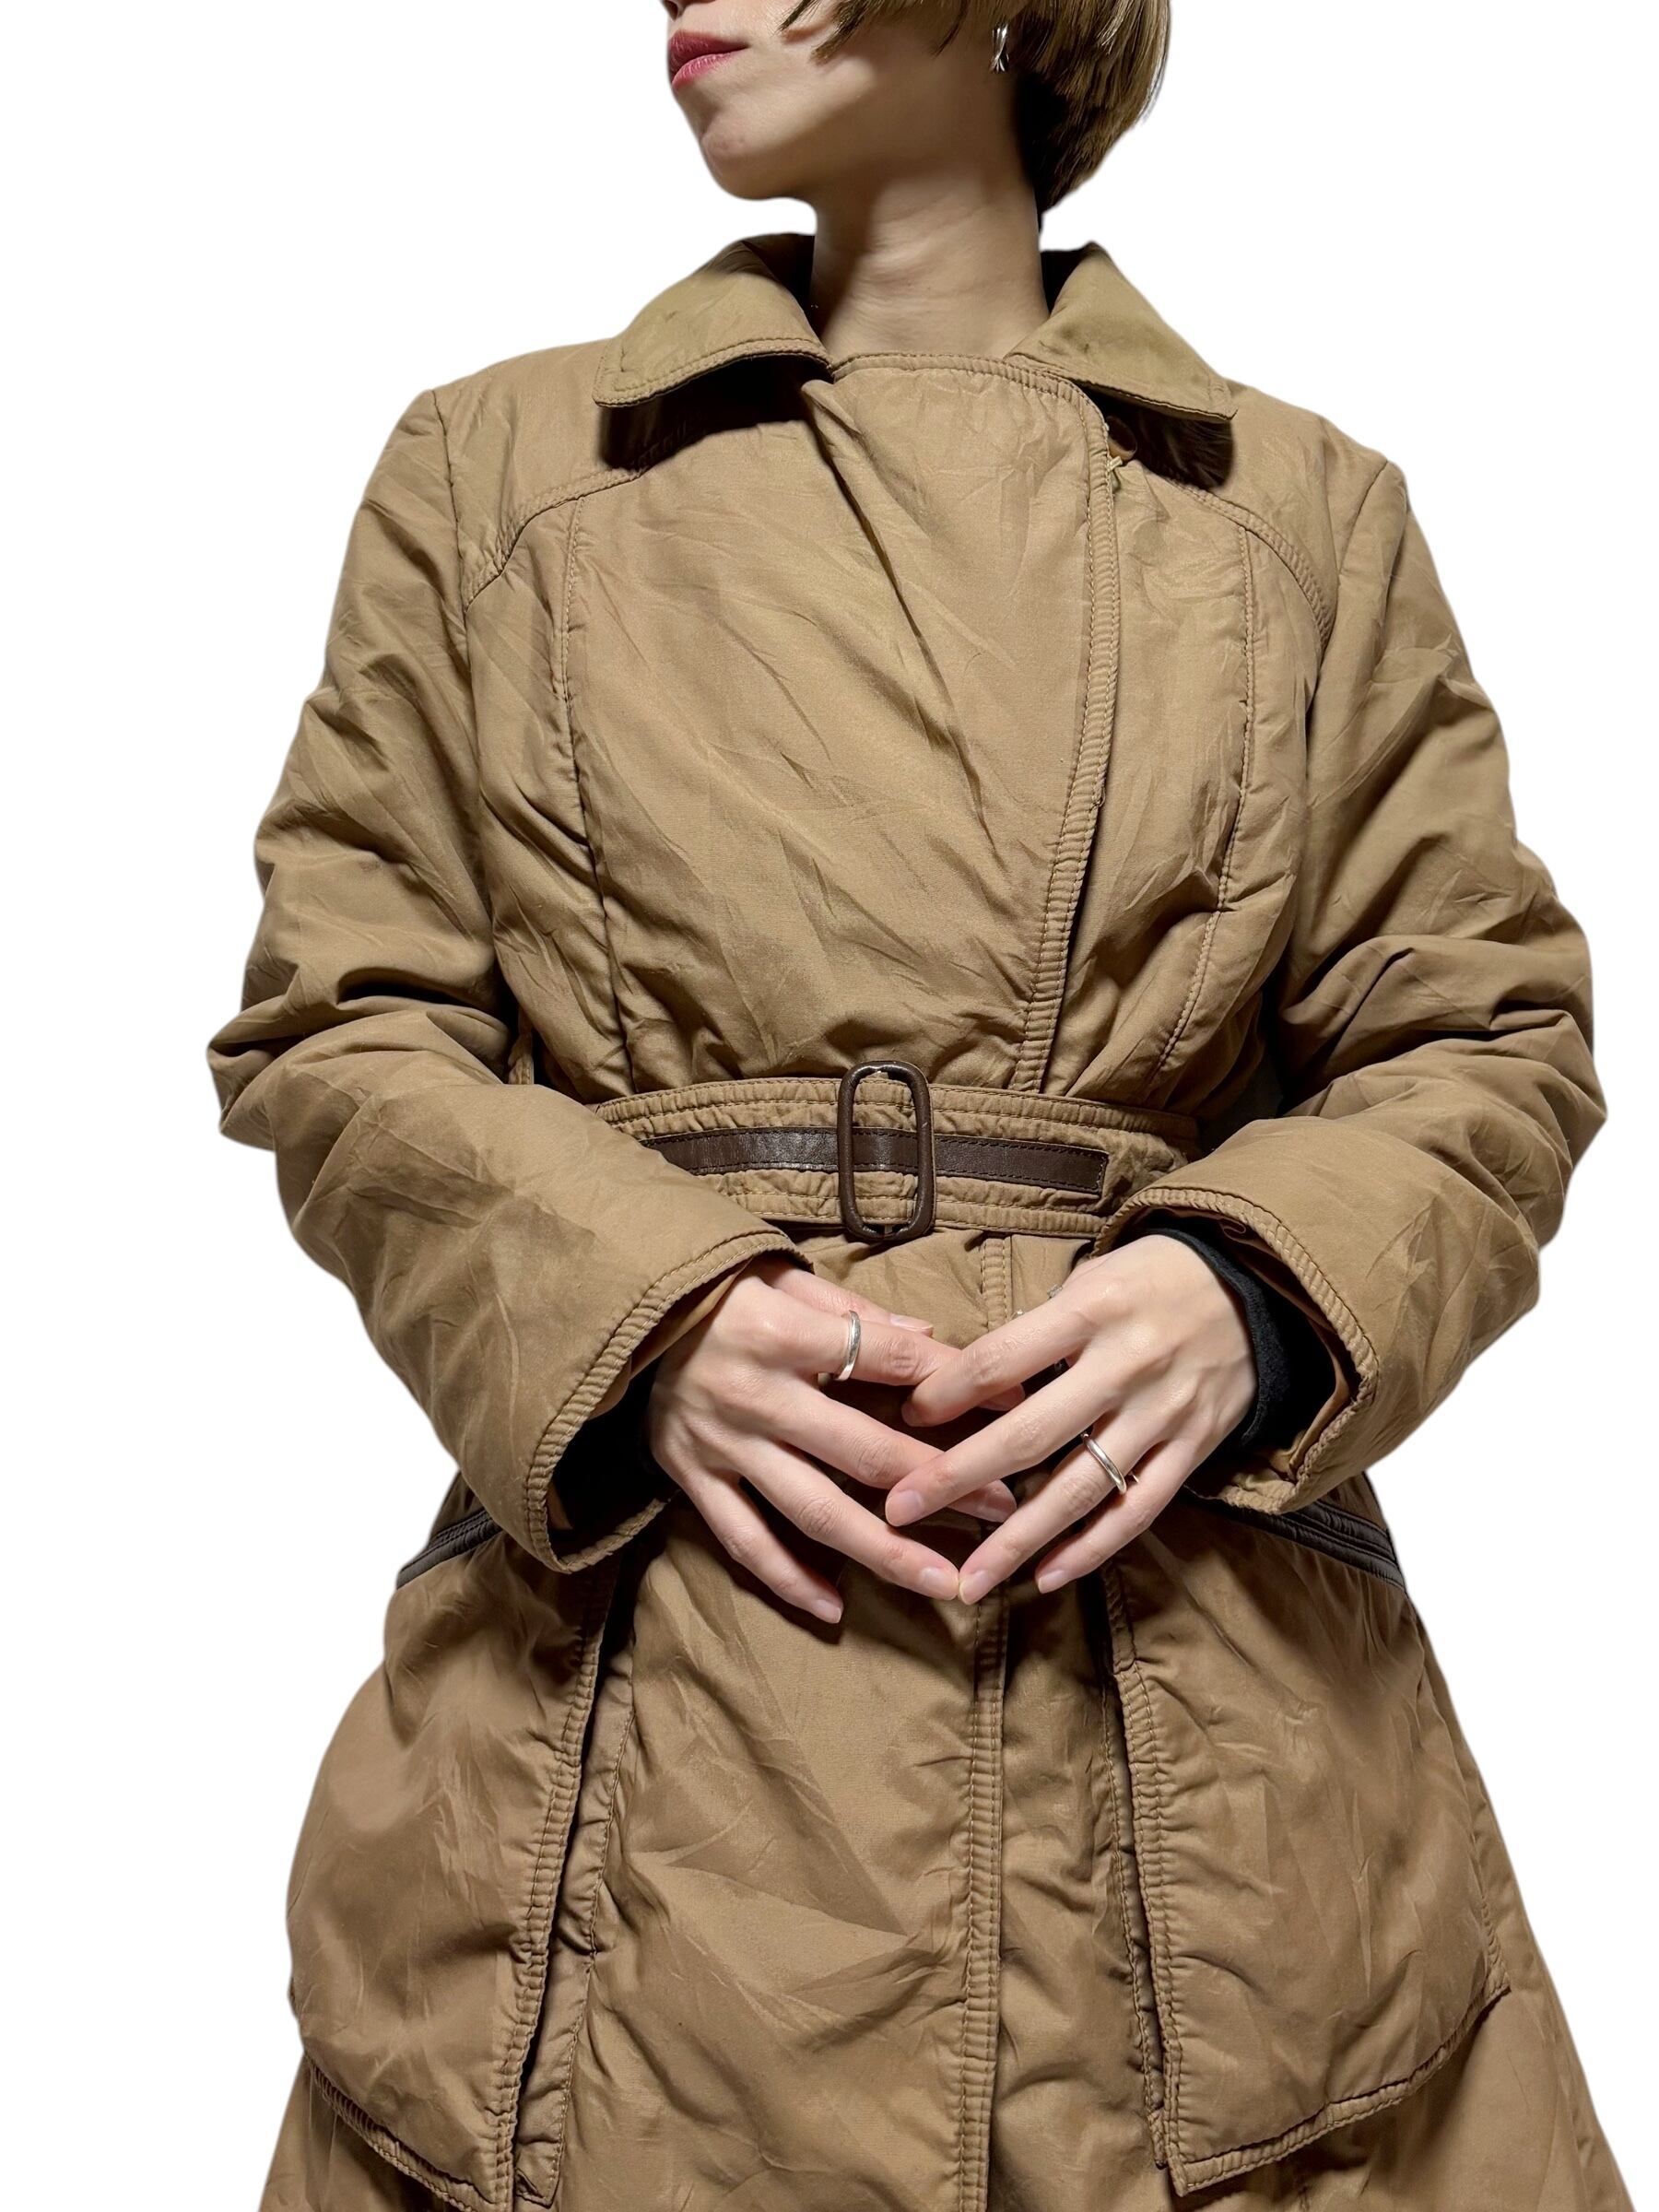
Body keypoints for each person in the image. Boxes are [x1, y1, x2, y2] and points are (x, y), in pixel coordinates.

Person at [208, 4, 1630, 2206]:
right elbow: (344, 1021)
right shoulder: (495, 471)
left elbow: (1482, 1029)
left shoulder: (1296, 512)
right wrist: (642, 1317)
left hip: (1175, 1708)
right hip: (644, 1689)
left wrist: (1249, 1295)